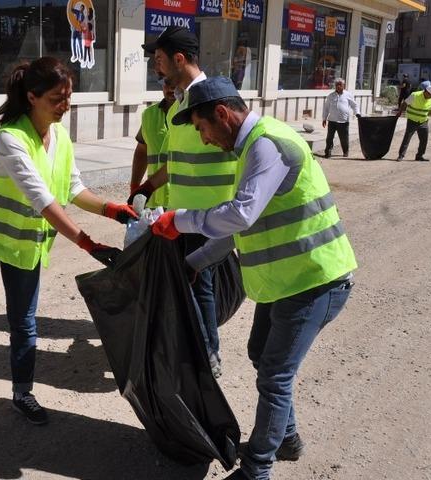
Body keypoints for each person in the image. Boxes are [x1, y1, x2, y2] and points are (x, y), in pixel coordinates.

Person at [149, 76, 357, 480]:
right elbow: (238, 227)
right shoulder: (249, 150)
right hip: (288, 281)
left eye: (202, 128)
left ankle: (257, 469)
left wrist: (179, 220)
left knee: (275, 374)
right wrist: (197, 262)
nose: (204, 139)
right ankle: (287, 440)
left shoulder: (267, 145)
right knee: (262, 355)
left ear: (222, 115)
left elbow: (239, 214)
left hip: (317, 280)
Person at [0, 57, 137, 434]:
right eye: (57, 99)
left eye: (69, 96)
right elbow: (42, 199)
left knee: (24, 325)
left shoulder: (59, 137)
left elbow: (72, 187)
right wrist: (88, 244)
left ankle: (22, 393)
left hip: (23, 246)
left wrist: (112, 209)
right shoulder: (11, 138)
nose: (66, 105)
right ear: (32, 97)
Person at [131, 26, 240, 377]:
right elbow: (176, 162)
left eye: (160, 60)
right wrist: (148, 187)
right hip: (183, 214)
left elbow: (244, 149)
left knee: (200, 286)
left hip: (211, 213)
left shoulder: (212, 99)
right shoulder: (179, 102)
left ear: (179, 59)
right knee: (191, 285)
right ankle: (197, 351)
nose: (156, 68)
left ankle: (208, 356)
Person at [130, 76, 176, 208]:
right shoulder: (149, 115)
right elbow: (142, 150)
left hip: (181, 201)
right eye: (167, 83)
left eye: (175, 83)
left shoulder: (193, 116)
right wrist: (135, 186)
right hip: (153, 200)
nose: (171, 88)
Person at [397, 84, 431, 161]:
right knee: (407, 138)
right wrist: (399, 112)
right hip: (412, 120)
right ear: (426, 92)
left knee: (424, 140)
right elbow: (404, 103)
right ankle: (401, 155)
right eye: (430, 95)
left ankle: (419, 156)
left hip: (423, 121)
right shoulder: (415, 95)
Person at [322, 78, 361, 158]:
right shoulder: (331, 96)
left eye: (340, 84)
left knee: (344, 138)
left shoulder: (348, 95)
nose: (338, 86)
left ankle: (345, 151)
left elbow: (354, 105)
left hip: (343, 121)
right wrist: (324, 118)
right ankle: (327, 152)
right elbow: (326, 108)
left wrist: (357, 113)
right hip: (332, 120)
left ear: (344, 86)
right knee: (329, 138)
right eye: (337, 85)